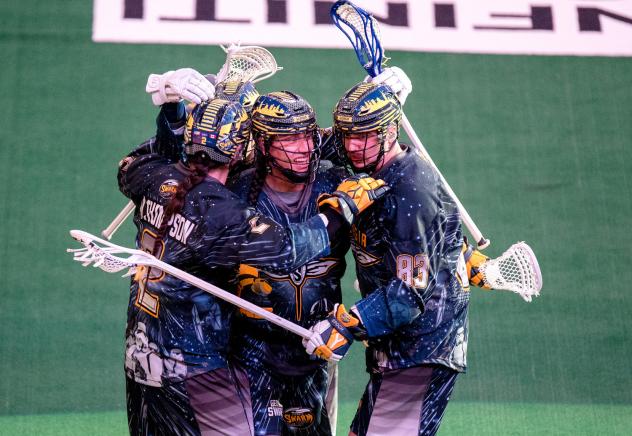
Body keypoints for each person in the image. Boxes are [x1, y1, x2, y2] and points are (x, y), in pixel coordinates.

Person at [117, 96, 387, 435]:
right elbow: (288, 249)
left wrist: (173, 111)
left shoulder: (155, 178)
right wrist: (342, 208)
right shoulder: (222, 211)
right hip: (195, 368)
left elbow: (135, 161)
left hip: (140, 359)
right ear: (242, 147)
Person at [302, 81, 528, 436]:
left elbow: (409, 293)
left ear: (391, 131)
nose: (353, 146)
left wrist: (345, 325)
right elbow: (442, 241)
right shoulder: (383, 168)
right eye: (349, 136)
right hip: (401, 347)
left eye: (365, 136)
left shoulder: (411, 190)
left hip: (420, 350)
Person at [228, 91, 350, 436]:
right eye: (289, 139)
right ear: (263, 146)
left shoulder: (337, 184)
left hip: (317, 350)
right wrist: (174, 117)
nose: (303, 147)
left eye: (306, 136)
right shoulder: (234, 195)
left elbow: (402, 227)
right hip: (250, 351)